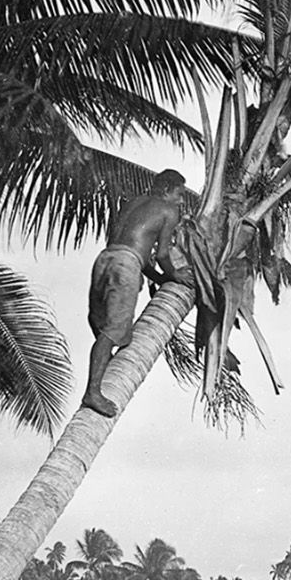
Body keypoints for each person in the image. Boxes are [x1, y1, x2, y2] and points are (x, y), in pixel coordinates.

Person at [81, 171, 196, 416]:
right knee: (113, 332)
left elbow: (135, 249)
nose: (181, 201)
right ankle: (92, 392)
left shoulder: (133, 203)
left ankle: (101, 370)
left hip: (105, 259)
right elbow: (162, 254)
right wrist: (174, 275)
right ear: (166, 189)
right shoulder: (168, 211)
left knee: (101, 324)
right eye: (179, 194)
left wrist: (159, 279)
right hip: (126, 266)